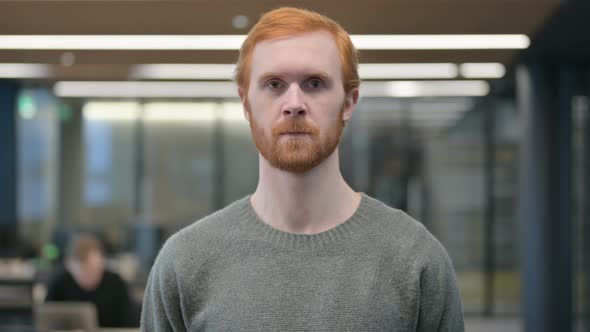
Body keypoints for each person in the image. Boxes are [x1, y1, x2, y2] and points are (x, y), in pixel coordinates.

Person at [141, 7, 464, 331]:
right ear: (245, 103)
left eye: (314, 83)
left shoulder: (415, 259)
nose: (294, 103)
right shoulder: (185, 263)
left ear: (349, 102)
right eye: (274, 84)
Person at [45, 233, 138, 327]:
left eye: (95, 270)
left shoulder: (116, 283)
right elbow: (45, 319)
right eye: (84, 271)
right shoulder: (59, 283)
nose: (91, 276)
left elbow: (130, 323)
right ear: (70, 267)